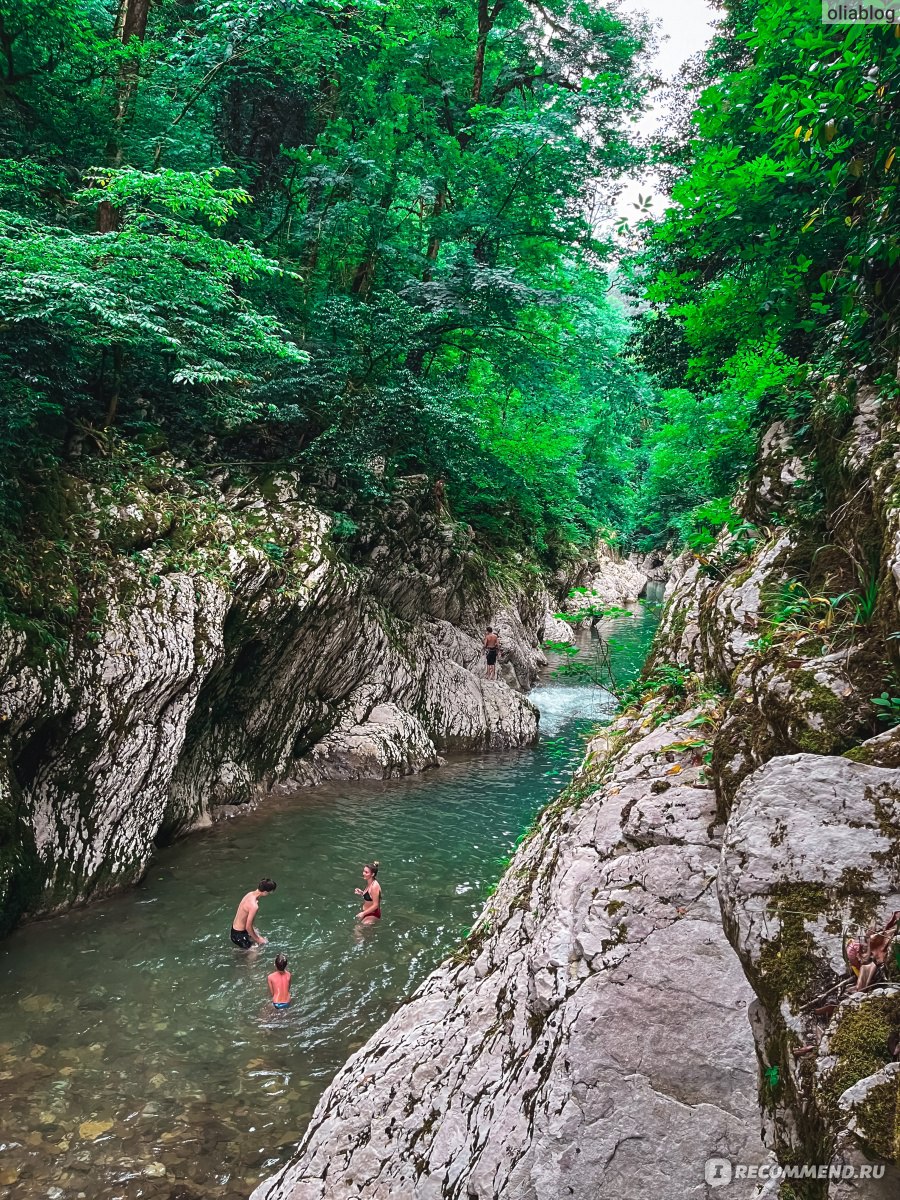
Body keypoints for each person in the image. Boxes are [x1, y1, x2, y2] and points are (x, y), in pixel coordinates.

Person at [230, 878, 276, 949]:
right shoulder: (254, 906)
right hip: (239, 935)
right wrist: (259, 939)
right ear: (265, 892)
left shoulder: (250, 894)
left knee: (256, 936)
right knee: (255, 951)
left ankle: (240, 952)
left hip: (234, 930)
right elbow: (248, 927)